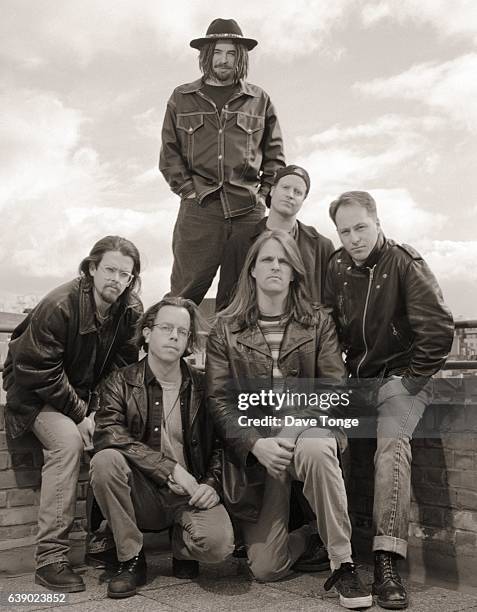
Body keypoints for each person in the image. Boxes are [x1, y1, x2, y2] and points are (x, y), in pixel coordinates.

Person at [206, 229, 372, 609]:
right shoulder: (225, 328)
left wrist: (294, 425)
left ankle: (343, 563)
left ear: (295, 271)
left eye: (283, 261)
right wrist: (254, 443)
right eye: (267, 259)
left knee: (316, 446)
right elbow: (219, 402)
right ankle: (312, 534)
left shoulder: (317, 322)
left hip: (305, 431)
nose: (275, 267)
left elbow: (333, 388)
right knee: (266, 567)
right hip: (262, 450)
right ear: (252, 270)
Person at [325, 191, 454, 609]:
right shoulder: (337, 266)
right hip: (357, 379)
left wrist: (408, 381)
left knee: (391, 444)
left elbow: (438, 331)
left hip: (402, 376)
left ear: (377, 222)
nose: (354, 238)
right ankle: (334, 551)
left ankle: (385, 560)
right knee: (322, 439)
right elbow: (330, 329)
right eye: (345, 231)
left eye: (360, 227)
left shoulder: (404, 262)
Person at [2, 236, 142, 592]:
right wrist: (81, 415)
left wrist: (100, 413)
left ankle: (108, 540)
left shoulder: (130, 311)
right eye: (109, 269)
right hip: (34, 393)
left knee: (123, 434)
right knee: (66, 443)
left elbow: (123, 369)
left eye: (124, 274)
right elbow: (36, 369)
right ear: (92, 268)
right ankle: (50, 558)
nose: (116, 279)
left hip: (82, 398)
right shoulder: (60, 303)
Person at [90, 297, 234, 599]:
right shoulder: (120, 382)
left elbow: (223, 442)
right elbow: (107, 433)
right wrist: (168, 468)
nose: (174, 336)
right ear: (147, 332)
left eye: (182, 332)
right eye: (166, 327)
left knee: (218, 547)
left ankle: (182, 549)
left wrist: (212, 483)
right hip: (144, 492)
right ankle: (130, 558)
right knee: (106, 461)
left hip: (190, 493)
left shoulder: (204, 386)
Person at [159, 18, 285, 305]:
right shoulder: (182, 98)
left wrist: (263, 195)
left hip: (247, 211)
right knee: (183, 294)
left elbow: (275, 156)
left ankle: (232, 351)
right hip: (199, 208)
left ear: (240, 57)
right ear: (206, 56)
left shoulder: (260, 100)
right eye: (217, 52)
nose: (224, 60)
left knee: (245, 297)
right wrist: (188, 191)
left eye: (230, 53)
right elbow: (169, 152)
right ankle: (162, 349)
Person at [216, 164, 334, 311]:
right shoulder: (238, 243)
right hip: (252, 328)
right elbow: (225, 304)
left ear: (303, 199)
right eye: (285, 187)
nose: (290, 195)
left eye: (297, 192)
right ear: (272, 190)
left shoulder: (322, 246)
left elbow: (330, 304)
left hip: (307, 329)